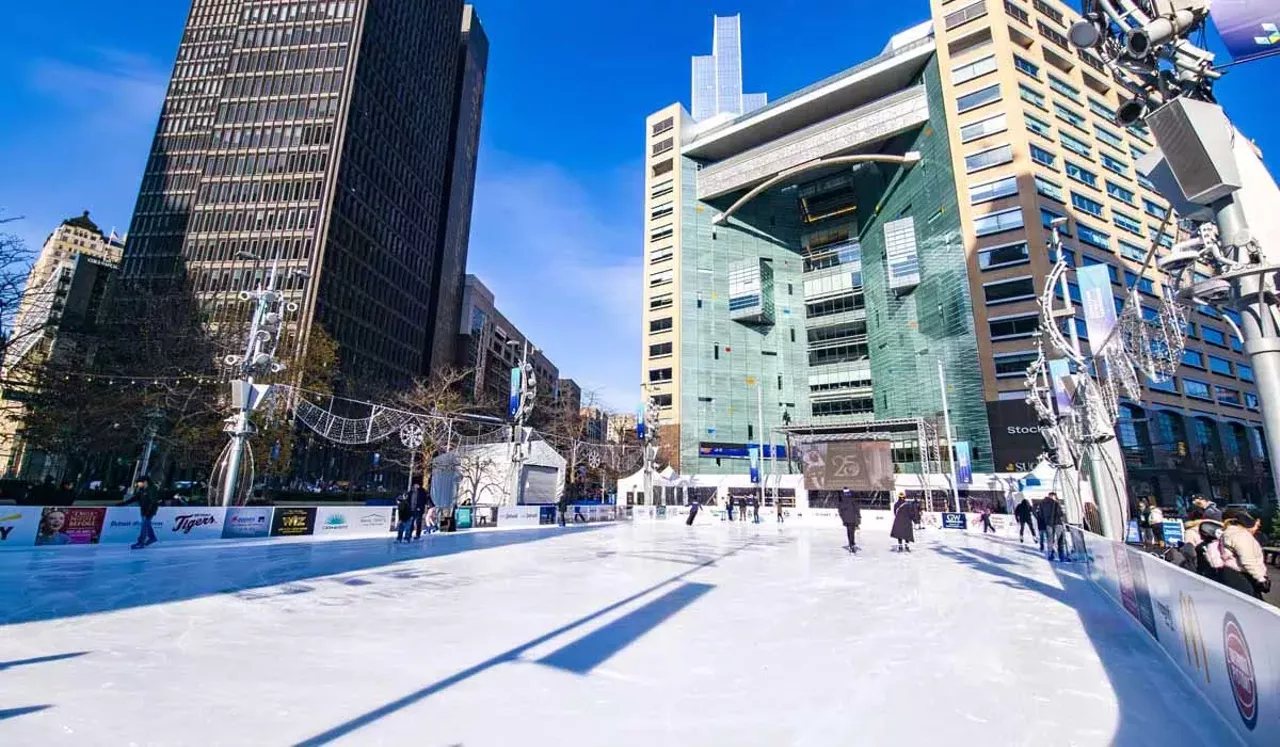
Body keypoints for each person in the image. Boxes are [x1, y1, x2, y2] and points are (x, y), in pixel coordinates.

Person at [1218, 509, 1271, 599]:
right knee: (1252, 607)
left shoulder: (1229, 532)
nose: (1258, 526)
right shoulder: (1240, 535)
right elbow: (1248, 560)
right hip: (1242, 577)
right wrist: (1261, 579)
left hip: (1231, 574)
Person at [122, 476, 160, 549]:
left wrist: (148, 512)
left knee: (144, 526)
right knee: (147, 524)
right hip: (144, 510)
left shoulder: (152, 489)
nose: (138, 484)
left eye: (139, 482)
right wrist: (123, 503)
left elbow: (153, 501)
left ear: (145, 482)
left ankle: (141, 542)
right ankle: (152, 538)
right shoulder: (142, 490)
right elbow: (136, 498)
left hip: (149, 510)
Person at [1039, 492, 1068, 562]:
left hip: (1048, 524)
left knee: (1050, 540)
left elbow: (1040, 514)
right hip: (1057, 523)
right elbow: (1060, 513)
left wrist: (1046, 520)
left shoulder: (1042, 503)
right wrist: (1057, 503)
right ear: (1053, 496)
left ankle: (1050, 555)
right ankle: (1061, 556)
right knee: (1060, 539)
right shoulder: (1056, 503)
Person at [837, 489, 861, 554]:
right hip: (852, 517)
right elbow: (856, 508)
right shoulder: (852, 499)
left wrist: (843, 518)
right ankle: (851, 544)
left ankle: (851, 543)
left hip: (847, 518)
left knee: (849, 531)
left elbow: (840, 510)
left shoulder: (842, 500)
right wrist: (859, 516)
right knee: (851, 531)